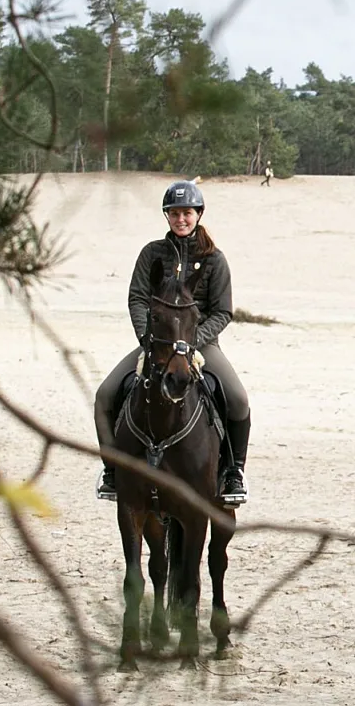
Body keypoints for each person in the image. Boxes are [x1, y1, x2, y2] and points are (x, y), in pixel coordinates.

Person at [95, 180, 253, 506]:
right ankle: (113, 471)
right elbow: (138, 299)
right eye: (175, 213)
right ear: (167, 216)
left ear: (198, 214)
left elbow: (222, 312)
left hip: (201, 346)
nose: (181, 219)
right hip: (158, 344)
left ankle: (233, 472)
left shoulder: (214, 259)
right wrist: (147, 339)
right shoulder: (151, 254)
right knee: (105, 395)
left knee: (237, 399)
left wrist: (192, 342)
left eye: (187, 213)